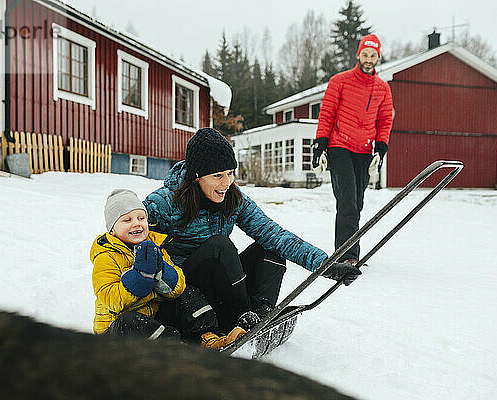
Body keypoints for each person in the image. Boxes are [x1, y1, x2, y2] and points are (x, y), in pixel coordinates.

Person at [144, 128, 361, 332]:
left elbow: (275, 235)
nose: (227, 182)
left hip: (223, 290)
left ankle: (260, 314)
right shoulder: (163, 203)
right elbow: (126, 242)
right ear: (197, 176)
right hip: (187, 295)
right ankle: (241, 315)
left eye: (230, 173)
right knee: (220, 245)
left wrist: (326, 266)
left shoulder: (233, 199)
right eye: (218, 176)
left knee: (272, 248)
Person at [90, 188, 245, 349]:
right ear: (112, 230)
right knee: (128, 321)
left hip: (155, 322)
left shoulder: (154, 246)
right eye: (127, 220)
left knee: (187, 293)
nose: (136, 223)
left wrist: (161, 273)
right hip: (116, 332)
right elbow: (111, 300)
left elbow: (178, 288)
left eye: (141, 218)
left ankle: (207, 338)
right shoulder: (106, 255)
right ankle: (175, 349)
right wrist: (140, 278)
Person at [312, 34, 394, 264]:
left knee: (357, 202)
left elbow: (385, 120)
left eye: (373, 55)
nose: (369, 59)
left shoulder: (383, 88)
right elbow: (327, 112)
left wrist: (382, 145)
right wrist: (321, 143)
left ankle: (349, 253)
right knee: (347, 200)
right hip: (340, 146)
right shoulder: (340, 81)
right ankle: (346, 257)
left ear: (378, 57)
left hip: (364, 151)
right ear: (358, 55)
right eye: (365, 54)